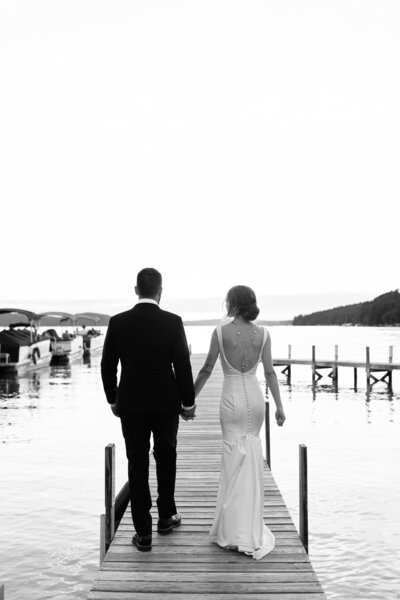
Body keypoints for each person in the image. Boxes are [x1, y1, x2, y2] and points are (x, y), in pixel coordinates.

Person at [101, 268, 195, 553]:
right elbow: (182, 365)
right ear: (160, 291)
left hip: (131, 405)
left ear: (135, 290)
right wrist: (187, 403)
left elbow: (107, 366)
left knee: (137, 463)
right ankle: (166, 517)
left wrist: (113, 399)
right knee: (166, 457)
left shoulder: (118, 322)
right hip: (166, 404)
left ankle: (143, 534)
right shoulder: (172, 321)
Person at [194, 285, 286, 559]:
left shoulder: (220, 332)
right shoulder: (264, 333)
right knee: (252, 457)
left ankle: (232, 530)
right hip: (256, 399)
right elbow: (269, 372)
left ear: (231, 303)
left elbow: (207, 369)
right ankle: (248, 527)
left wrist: (188, 400)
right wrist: (279, 406)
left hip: (231, 399)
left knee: (232, 459)